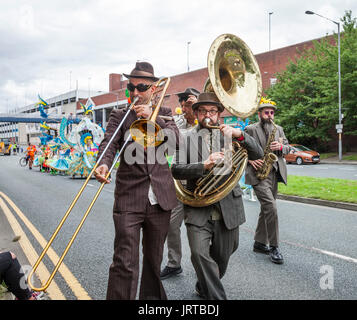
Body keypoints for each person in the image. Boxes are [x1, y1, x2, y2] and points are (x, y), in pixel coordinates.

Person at [94, 61, 180, 300]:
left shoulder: (165, 114)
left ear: (153, 89)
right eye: (130, 88)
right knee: (124, 261)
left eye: (141, 87)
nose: (135, 93)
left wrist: (154, 122)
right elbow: (109, 144)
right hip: (129, 198)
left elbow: (177, 143)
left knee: (154, 262)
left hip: (160, 200)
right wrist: (103, 163)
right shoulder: (120, 115)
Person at [171, 92, 263, 300]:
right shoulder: (186, 139)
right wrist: (204, 165)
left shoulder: (229, 134)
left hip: (228, 207)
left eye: (212, 111)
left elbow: (258, 154)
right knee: (199, 254)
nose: (207, 115)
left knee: (223, 256)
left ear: (219, 114)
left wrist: (239, 135)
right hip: (198, 208)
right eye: (202, 111)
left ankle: (204, 285)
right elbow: (175, 169)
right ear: (195, 113)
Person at [160, 87, 199, 280]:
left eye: (189, 105)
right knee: (170, 224)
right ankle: (174, 263)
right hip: (178, 183)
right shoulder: (177, 121)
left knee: (199, 231)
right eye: (182, 106)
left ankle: (204, 269)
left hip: (201, 184)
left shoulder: (206, 123)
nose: (184, 109)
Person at [244, 99, 290, 265]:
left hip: (274, 173)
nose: (269, 115)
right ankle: (274, 246)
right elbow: (238, 148)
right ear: (259, 114)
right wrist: (249, 160)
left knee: (266, 209)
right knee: (271, 207)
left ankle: (259, 242)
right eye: (266, 112)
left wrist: (281, 147)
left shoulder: (279, 129)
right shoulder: (250, 129)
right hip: (258, 174)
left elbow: (288, 148)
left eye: (272, 112)